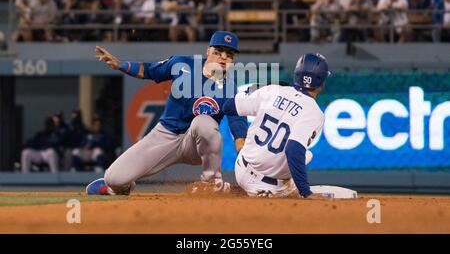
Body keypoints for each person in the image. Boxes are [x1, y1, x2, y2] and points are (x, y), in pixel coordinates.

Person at [86, 31, 248, 195]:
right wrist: (121, 64)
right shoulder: (183, 64)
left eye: (229, 55)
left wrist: (243, 151)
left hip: (194, 144)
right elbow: (150, 70)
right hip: (165, 135)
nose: (223, 57)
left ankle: (213, 182)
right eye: (218, 52)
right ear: (208, 51)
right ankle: (123, 187)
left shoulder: (230, 90)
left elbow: (238, 125)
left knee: (204, 122)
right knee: (114, 179)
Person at [221, 53, 330, 199]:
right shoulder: (315, 113)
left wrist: (262, 86)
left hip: (241, 167)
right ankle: (261, 192)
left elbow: (228, 107)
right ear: (321, 83)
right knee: (305, 154)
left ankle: (229, 189)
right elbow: (293, 149)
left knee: (299, 152)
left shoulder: (272, 90)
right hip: (269, 187)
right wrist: (306, 192)